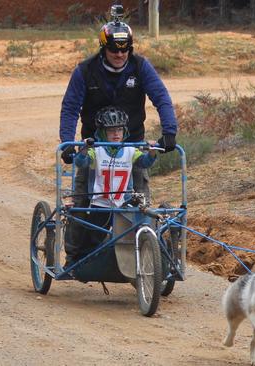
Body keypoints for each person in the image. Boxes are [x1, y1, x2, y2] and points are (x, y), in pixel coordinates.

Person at [59, 5, 177, 206]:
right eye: (114, 49)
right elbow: (70, 108)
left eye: (125, 49)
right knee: (83, 211)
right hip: (94, 148)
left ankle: (144, 236)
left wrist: (169, 132)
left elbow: (161, 98)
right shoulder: (85, 71)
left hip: (132, 147)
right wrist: (68, 143)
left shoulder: (140, 67)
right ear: (103, 48)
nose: (120, 54)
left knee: (139, 208)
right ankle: (78, 230)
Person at [65, 106, 157, 264]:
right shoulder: (97, 151)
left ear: (125, 131)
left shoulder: (130, 151)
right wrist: (84, 149)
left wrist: (153, 151)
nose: (116, 134)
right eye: (111, 130)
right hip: (100, 204)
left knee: (129, 238)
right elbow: (82, 162)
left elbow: (144, 162)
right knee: (92, 241)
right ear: (102, 132)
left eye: (119, 130)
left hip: (123, 204)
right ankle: (83, 262)